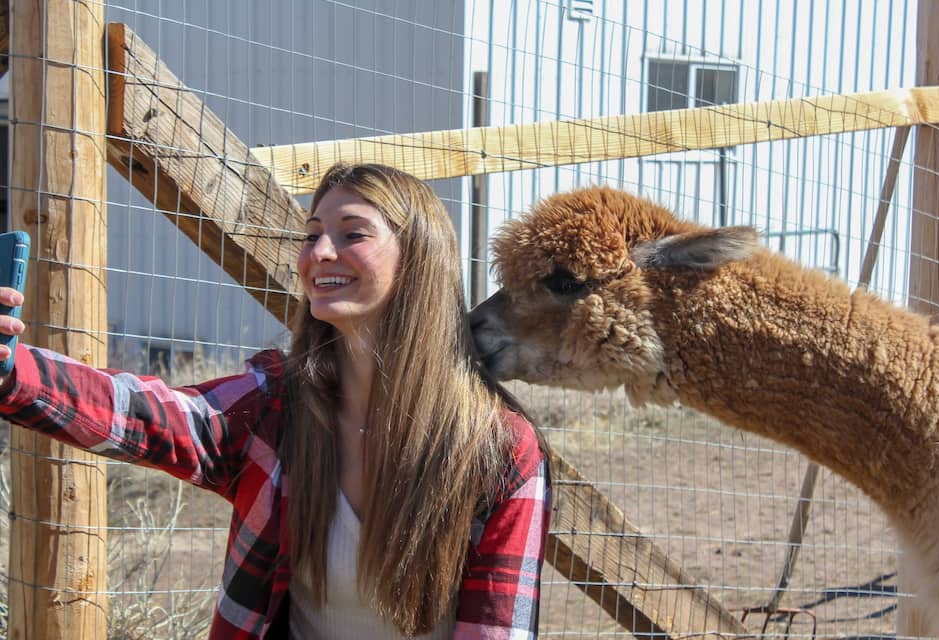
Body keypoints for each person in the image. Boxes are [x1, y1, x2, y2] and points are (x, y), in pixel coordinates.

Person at [0, 163, 552, 639]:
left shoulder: (502, 451)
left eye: (352, 234)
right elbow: (148, 415)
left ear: (419, 259)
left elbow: (496, 626)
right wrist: (11, 368)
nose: (320, 252)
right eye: (311, 235)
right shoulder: (276, 406)